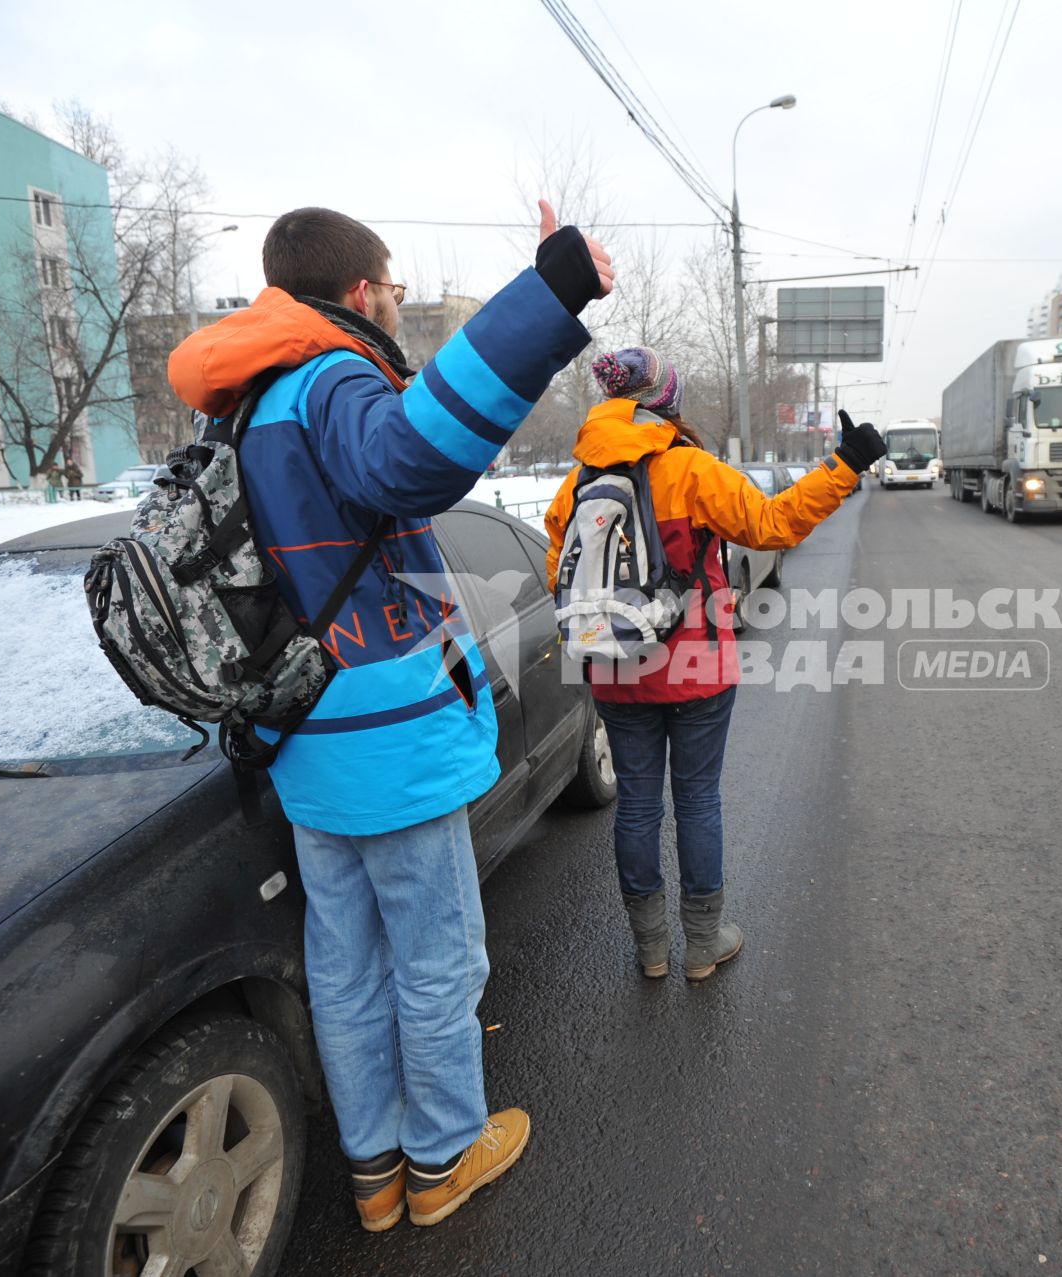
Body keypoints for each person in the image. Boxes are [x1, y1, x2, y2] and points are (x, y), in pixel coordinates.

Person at [167, 201, 612, 1232]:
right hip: (386, 735)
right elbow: (414, 457)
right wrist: (549, 293)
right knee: (438, 954)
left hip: (303, 731)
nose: (399, 305)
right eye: (397, 289)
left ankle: (374, 1168)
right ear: (363, 291)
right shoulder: (332, 379)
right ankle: (447, 1153)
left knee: (348, 962)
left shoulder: (242, 405)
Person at [542, 349, 885, 980]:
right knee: (697, 799)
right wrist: (845, 465)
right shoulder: (691, 470)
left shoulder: (575, 487)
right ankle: (703, 943)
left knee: (638, 805)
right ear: (665, 402)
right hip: (696, 664)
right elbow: (775, 524)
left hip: (615, 667)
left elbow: (557, 577)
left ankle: (650, 950)